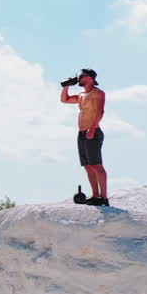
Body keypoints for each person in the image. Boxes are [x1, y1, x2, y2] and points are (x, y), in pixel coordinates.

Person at [61, 68, 108, 206]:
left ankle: (104, 198)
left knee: (97, 165)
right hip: (81, 133)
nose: (79, 78)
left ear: (90, 78)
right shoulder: (81, 95)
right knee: (88, 166)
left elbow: (100, 112)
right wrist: (67, 86)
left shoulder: (98, 93)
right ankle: (95, 196)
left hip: (92, 131)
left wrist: (92, 129)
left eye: (82, 76)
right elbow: (65, 100)